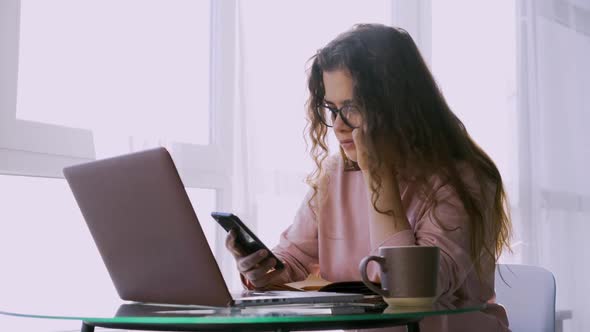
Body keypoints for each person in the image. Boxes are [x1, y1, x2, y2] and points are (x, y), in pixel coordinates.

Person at [226, 24, 512, 331]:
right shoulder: (335, 175)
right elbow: (294, 259)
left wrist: (378, 175)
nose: (338, 126)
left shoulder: (464, 179)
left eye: (352, 108)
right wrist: (263, 270)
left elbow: (410, 294)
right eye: (332, 109)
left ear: (398, 105)